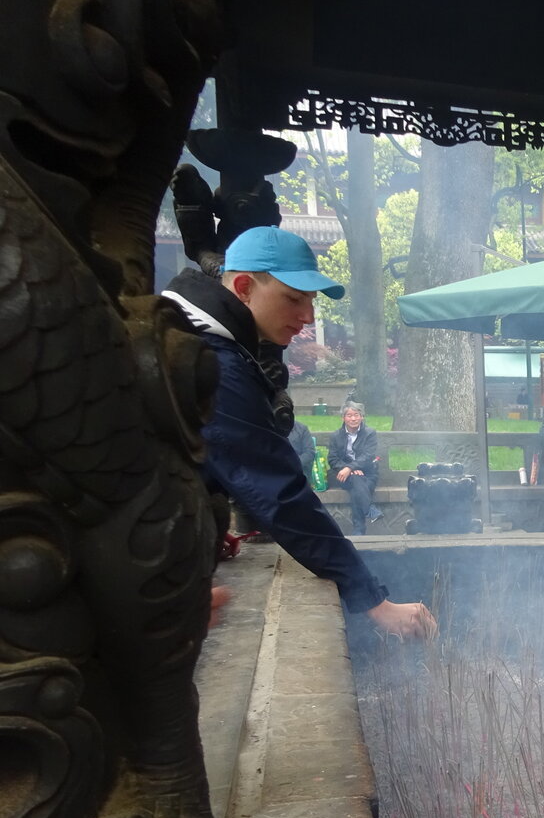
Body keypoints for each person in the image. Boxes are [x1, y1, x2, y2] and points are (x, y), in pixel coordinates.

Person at [162, 226, 435, 639]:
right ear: (243, 287)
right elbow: (282, 494)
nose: (307, 316)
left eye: (311, 300)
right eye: (294, 298)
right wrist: (373, 601)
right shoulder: (211, 360)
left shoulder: (199, 339)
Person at [328, 401, 382, 534]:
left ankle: (359, 528)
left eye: (356, 415)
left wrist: (350, 468)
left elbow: (368, 456)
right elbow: (332, 459)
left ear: (362, 417)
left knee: (356, 488)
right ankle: (369, 509)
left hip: (368, 473)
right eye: (349, 415)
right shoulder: (336, 436)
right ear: (343, 418)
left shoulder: (370, 433)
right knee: (356, 480)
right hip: (344, 475)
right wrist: (348, 469)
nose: (353, 419)